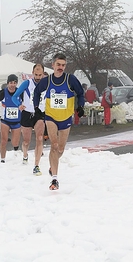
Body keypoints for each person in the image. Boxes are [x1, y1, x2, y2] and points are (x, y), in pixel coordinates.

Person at [33, 53, 85, 190]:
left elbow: (80, 93)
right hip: (50, 117)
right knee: (54, 145)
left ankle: (52, 165)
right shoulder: (47, 80)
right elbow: (37, 92)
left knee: (60, 149)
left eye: (63, 65)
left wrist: (80, 106)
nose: (61, 67)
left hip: (66, 117)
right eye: (58, 65)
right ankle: (54, 180)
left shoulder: (70, 79)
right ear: (53, 65)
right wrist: (37, 107)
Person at [12, 64, 45, 175]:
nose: (38, 77)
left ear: (43, 74)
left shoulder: (47, 84)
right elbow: (14, 96)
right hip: (26, 113)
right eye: (36, 74)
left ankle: (36, 165)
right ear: (32, 73)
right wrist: (19, 105)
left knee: (40, 138)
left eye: (40, 75)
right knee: (26, 141)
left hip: (39, 114)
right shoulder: (27, 83)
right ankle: (25, 155)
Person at [0, 74, 21, 163]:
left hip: (17, 121)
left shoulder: (20, 93)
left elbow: (27, 104)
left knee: (15, 143)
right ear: (7, 83)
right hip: (5, 120)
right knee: (3, 141)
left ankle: (16, 146)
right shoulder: (2, 93)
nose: (12, 85)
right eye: (11, 83)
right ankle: (2, 159)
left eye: (14, 83)